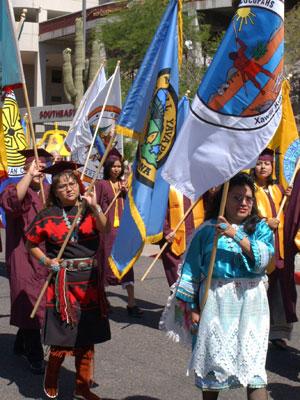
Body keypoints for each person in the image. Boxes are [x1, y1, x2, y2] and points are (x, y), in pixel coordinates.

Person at [161, 173, 274, 400]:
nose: (243, 203)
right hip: (216, 303)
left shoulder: (260, 228)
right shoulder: (206, 231)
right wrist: (192, 307)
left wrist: (234, 233)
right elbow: (191, 271)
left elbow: (263, 260)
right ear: (224, 198)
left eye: (248, 198)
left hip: (252, 305)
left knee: (254, 370)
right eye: (236, 197)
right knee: (213, 369)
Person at [26, 161, 110, 400]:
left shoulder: (88, 209)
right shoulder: (47, 216)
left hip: (89, 283)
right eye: (62, 186)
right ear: (55, 191)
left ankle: (82, 386)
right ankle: (51, 377)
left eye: (72, 183)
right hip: (63, 283)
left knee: (87, 337)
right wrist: (46, 262)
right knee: (62, 339)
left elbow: (104, 229)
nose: (69, 189)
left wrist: (95, 207)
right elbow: (30, 243)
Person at [0, 148, 52, 374]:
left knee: (39, 303)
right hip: (22, 255)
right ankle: (35, 354)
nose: (38, 170)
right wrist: (29, 176)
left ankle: (21, 343)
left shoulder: (50, 190)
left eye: (42, 167)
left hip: (45, 257)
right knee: (29, 300)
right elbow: (11, 203)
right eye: (34, 166)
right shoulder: (15, 188)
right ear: (26, 168)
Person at [252, 149, 295, 349]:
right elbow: (246, 216)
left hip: (279, 248)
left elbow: (286, 216)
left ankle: (277, 333)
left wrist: (289, 199)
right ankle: (254, 329)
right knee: (259, 290)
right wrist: (263, 222)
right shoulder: (249, 189)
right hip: (260, 247)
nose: (263, 167)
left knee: (279, 290)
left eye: (267, 163)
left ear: (272, 166)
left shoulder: (277, 189)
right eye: (259, 163)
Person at [95, 149, 143, 317]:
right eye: (113, 166)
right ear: (107, 167)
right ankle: (103, 301)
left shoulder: (125, 183)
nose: (116, 169)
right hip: (107, 231)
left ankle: (131, 302)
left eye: (118, 166)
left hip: (123, 231)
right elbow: (96, 206)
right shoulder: (101, 184)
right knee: (105, 264)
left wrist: (128, 192)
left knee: (126, 265)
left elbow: (134, 204)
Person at [160, 186, 205, 287]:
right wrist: (165, 231)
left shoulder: (200, 185)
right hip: (173, 240)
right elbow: (158, 211)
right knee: (177, 282)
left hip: (196, 239)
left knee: (196, 281)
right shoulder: (166, 185)